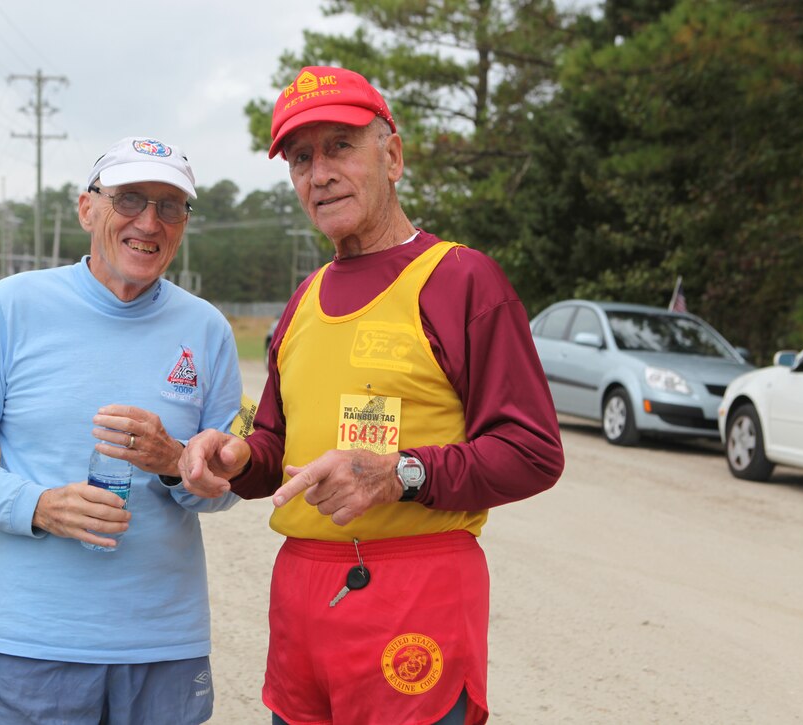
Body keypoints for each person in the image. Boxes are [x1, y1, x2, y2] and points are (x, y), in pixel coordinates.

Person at [179, 66, 565, 724]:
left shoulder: (459, 279)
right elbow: (276, 443)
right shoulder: (304, 298)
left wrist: (401, 473)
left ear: (392, 155)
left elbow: (532, 449)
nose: (319, 172)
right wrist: (237, 456)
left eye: (339, 146)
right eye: (301, 158)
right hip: (303, 594)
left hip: (413, 588)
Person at [0, 135, 243, 724]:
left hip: (163, 647)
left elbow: (223, 489)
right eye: (129, 199)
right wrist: (40, 505)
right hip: (32, 644)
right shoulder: (14, 305)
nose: (148, 222)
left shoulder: (207, 330)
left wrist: (174, 461)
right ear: (87, 208)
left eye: (170, 206)